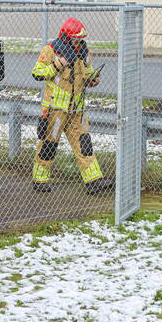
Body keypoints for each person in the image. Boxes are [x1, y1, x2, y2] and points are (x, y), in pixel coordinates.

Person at [30, 17, 113, 195]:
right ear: (66, 37)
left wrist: (93, 80)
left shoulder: (84, 52)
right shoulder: (51, 50)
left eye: (80, 39)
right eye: (75, 39)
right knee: (48, 144)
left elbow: (87, 73)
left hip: (77, 109)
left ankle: (93, 181)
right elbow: (37, 72)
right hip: (55, 109)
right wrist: (58, 64)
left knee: (84, 143)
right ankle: (40, 179)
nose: (78, 42)